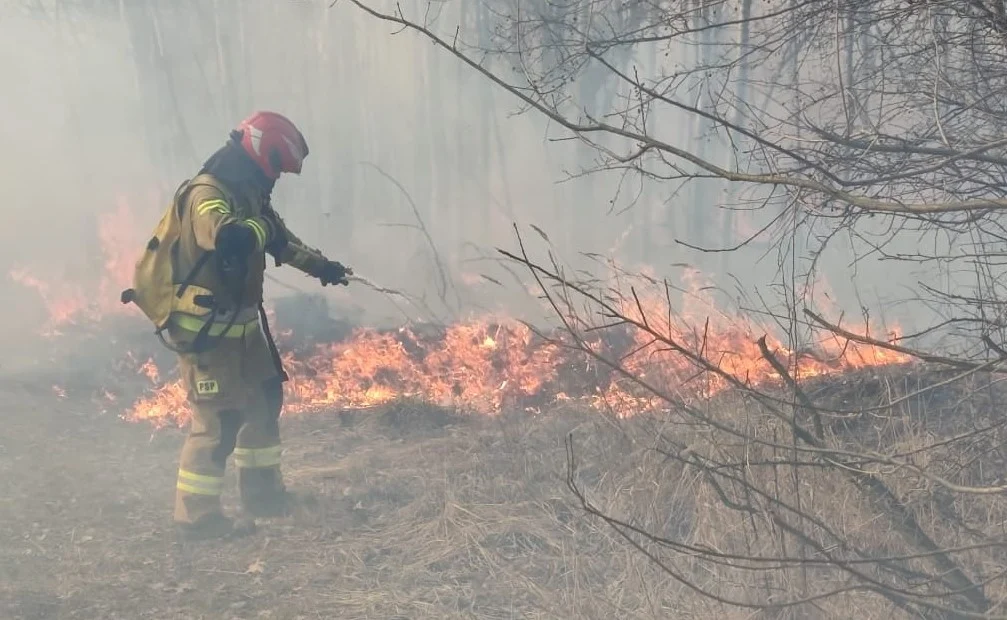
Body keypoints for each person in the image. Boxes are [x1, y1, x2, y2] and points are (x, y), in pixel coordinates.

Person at [123, 111, 352, 540]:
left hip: (241, 328)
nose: (278, 178)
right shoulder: (207, 194)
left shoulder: (248, 193)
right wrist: (258, 228)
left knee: (265, 400)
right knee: (219, 421)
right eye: (278, 167)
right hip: (205, 331)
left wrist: (324, 267)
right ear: (261, 154)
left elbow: (278, 239)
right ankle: (197, 519)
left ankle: (263, 494)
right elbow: (229, 237)